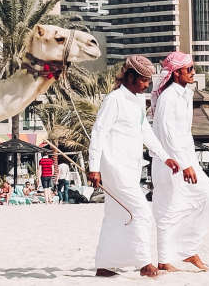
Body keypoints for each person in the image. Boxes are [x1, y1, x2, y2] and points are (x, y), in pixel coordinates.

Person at [87, 55, 180, 278]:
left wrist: (165, 156)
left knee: (115, 214)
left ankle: (105, 265)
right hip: (113, 167)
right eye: (144, 80)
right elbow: (98, 132)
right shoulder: (114, 99)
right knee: (141, 211)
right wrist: (93, 167)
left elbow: (145, 132)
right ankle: (145, 263)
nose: (147, 85)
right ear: (130, 77)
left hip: (130, 167)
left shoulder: (137, 102)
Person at [151, 52, 209, 273]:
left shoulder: (185, 94)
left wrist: (190, 161)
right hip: (169, 162)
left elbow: (182, 133)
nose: (192, 73)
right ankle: (164, 260)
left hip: (188, 159)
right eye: (189, 69)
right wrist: (183, 164)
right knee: (167, 209)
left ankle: (188, 249)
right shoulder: (168, 97)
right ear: (176, 72)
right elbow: (167, 133)